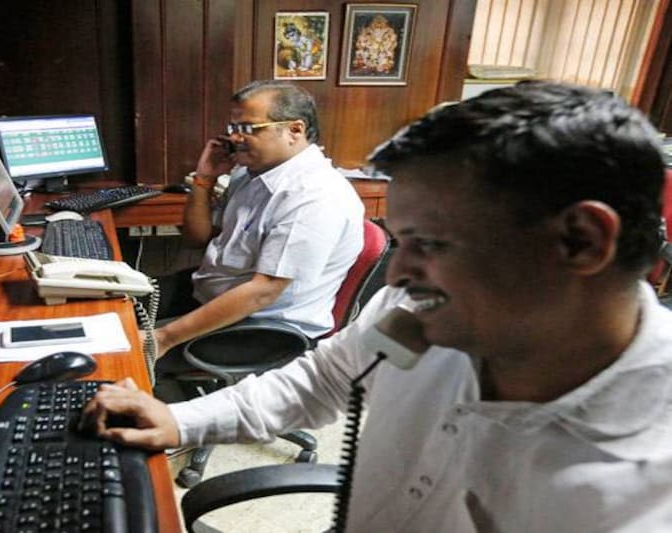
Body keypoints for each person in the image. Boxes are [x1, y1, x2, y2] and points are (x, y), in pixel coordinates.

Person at [85, 81, 672, 531]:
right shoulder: (418, 313)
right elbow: (327, 376)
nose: (397, 273)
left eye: (430, 245)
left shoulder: (644, 487)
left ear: (581, 242)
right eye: (403, 239)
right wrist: (182, 419)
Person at [152, 80, 364, 362]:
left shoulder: (315, 196)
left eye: (249, 129)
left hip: (263, 330)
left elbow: (263, 293)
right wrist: (204, 179)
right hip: (212, 294)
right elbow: (198, 238)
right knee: (110, 308)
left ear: (295, 130)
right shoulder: (248, 174)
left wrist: (163, 338)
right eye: (234, 129)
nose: (236, 139)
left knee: (117, 349)